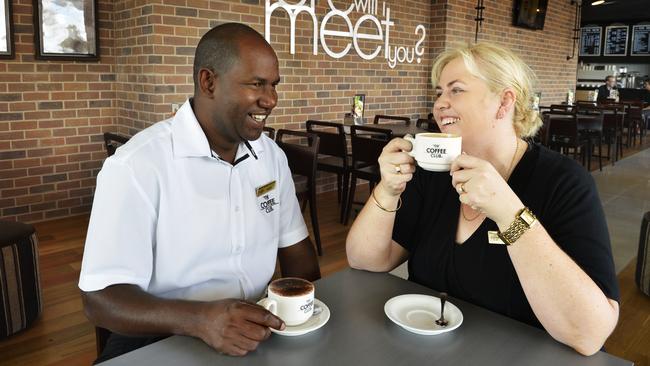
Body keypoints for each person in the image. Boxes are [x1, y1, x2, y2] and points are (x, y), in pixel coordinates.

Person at [346, 42, 619, 356]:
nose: (440, 104)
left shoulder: (563, 182)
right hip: (424, 349)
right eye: (438, 93)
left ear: (504, 102)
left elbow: (588, 335)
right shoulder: (434, 172)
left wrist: (509, 214)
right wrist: (388, 189)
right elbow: (365, 260)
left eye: (456, 90)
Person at [79, 23, 321, 362]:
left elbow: (297, 250)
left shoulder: (271, 157)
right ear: (208, 82)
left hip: (252, 328)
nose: (271, 100)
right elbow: (99, 299)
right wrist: (201, 320)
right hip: (159, 335)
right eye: (256, 84)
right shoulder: (137, 166)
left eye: (274, 85)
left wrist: (309, 308)